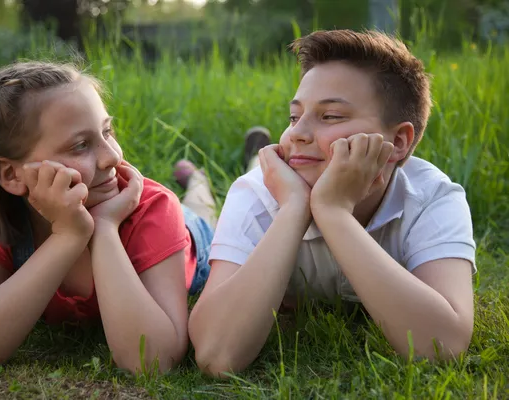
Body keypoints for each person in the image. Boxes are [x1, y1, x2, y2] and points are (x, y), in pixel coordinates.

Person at [188, 29, 477, 377]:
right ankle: (196, 176)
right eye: (294, 117)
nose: (296, 133)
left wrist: (333, 212)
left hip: (307, 178)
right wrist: (294, 207)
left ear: (398, 141)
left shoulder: (432, 198)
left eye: (331, 117)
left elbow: (441, 346)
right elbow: (215, 356)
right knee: (201, 210)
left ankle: (244, 158)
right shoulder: (255, 193)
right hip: (236, 202)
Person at [0, 61, 215, 374]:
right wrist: (69, 236)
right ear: (11, 174)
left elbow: (154, 362)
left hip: (189, 237)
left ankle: (199, 181)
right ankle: (195, 180)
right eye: (81, 145)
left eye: (107, 131)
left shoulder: (153, 208)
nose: (113, 156)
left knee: (199, 209)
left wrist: (105, 227)